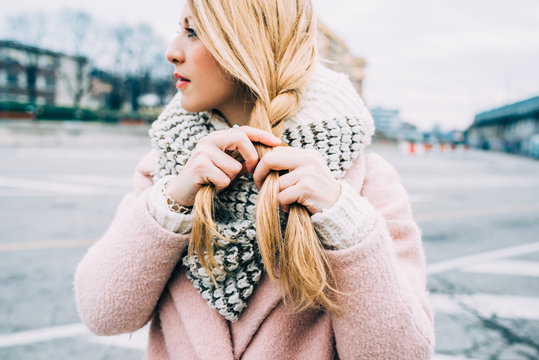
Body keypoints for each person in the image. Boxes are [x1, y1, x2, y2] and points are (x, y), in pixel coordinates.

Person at [74, 0, 435, 358]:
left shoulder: (364, 183)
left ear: (247, 44)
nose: (172, 51)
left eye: (193, 32)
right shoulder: (166, 170)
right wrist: (170, 204)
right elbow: (103, 315)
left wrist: (342, 220)